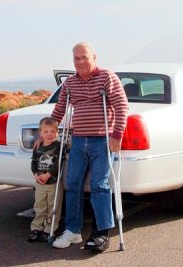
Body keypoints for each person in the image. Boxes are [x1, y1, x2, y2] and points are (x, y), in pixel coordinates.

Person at [51, 42, 129, 252]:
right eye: (76, 58)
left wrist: (117, 135)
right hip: (78, 140)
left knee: (99, 185)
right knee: (73, 183)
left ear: (94, 57)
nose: (80, 62)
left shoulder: (106, 77)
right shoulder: (70, 83)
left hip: (101, 140)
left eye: (84, 57)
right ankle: (73, 231)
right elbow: (59, 111)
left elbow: (122, 105)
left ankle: (102, 233)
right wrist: (46, 132)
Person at [29, 117, 63, 242]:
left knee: (53, 207)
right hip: (40, 183)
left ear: (57, 132)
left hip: (53, 182)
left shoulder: (58, 146)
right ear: (40, 133)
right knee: (40, 205)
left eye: (52, 131)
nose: (49, 134)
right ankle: (36, 228)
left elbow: (58, 163)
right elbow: (33, 162)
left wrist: (48, 175)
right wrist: (36, 175)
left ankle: (49, 229)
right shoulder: (38, 147)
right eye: (46, 132)